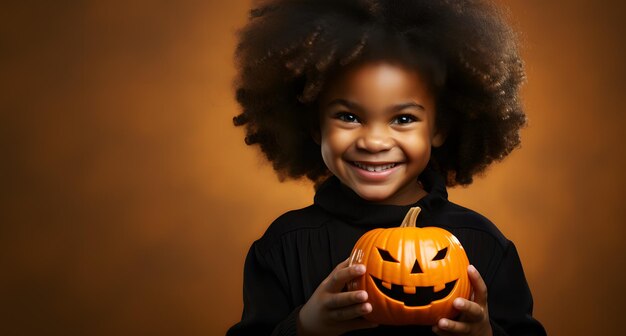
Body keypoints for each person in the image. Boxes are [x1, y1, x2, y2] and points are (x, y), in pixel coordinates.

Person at [227, 0, 546, 335]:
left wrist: (485, 333)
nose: (374, 142)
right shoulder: (285, 245)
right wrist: (304, 327)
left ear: (438, 129)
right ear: (315, 126)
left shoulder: (483, 244)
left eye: (403, 118)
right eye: (349, 117)